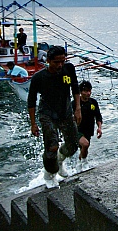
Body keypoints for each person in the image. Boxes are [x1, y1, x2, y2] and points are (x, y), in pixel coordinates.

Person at [27, 45, 82, 182]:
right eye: (56, 62)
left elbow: (75, 88)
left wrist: (78, 108)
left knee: (73, 145)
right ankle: (50, 174)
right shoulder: (39, 77)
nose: (60, 65)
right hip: (47, 114)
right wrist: (33, 124)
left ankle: (60, 160)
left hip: (65, 111)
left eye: (62, 61)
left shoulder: (69, 69)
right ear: (48, 61)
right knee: (52, 146)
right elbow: (31, 101)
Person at [72, 80, 103, 161]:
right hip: (77, 130)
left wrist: (99, 128)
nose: (88, 93)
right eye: (85, 91)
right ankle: (84, 163)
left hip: (88, 130)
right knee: (85, 144)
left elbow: (98, 116)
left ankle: (80, 164)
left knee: (85, 149)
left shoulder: (93, 102)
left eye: (89, 91)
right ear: (81, 92)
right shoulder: (74, 104)